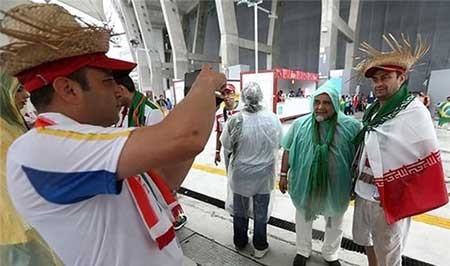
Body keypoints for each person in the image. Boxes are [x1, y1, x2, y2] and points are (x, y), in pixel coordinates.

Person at [1, 3, 226, 266]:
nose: (117, 90)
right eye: (108, 81)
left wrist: (207, 103)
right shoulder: (37, 150)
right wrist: (205, 84)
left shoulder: (90, 140)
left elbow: (165, 178)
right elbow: (186, 137)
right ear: (69, 89)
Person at [352, 34, 448, 266]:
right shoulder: (372, 111)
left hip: (391, 197)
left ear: (401, 77)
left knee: (390, 252)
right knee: (367, 241)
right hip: (364, 192)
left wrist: (402, 192)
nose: (378, 84)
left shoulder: (414, 112)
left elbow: (427, 159)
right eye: (375, 80)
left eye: (385, 77)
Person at [279, 79, 360, 266]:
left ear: (335, 104)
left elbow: (359, 158)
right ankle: (302, 250)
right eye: (317, 102)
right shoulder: (300, 124)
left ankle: (330, 254)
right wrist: (283, 175)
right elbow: (288, 149)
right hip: (304, 183)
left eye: (326, 102)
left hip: (337, 185)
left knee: (335, 221)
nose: (320, 107)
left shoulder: (351, 127)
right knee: (303, 217)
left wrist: (356, 184)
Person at [0, 72, 62, 266]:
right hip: (17, 230)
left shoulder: (11, 125)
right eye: (18, 90)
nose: (26, 95)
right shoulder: (2, 133)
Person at [115, 75, 187, 230]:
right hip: (135, 169)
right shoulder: (123, 111)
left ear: (120, 90)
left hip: (150, 170)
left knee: (160, 201)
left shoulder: (150, 111)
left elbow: (160, 149)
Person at [220, 82, 282, 259]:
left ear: (244, 98)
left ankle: (240, 241)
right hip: (264, 176)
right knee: (261, 212)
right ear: (261, 97)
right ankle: (260, 246)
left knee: (240, 210)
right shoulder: (272, 119)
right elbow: (280, 143)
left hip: (241, 175)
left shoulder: (235, 120)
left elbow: (226, 144)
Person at [214, 84, 240, 167]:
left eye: (228, 93)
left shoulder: (243, 110)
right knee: (230, 175)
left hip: (243, 150)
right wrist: (217, 151)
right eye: (223, 94)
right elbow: (219, 133)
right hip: (228, 152)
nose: (226, 96)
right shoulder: (219, 114)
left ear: (234, 94)